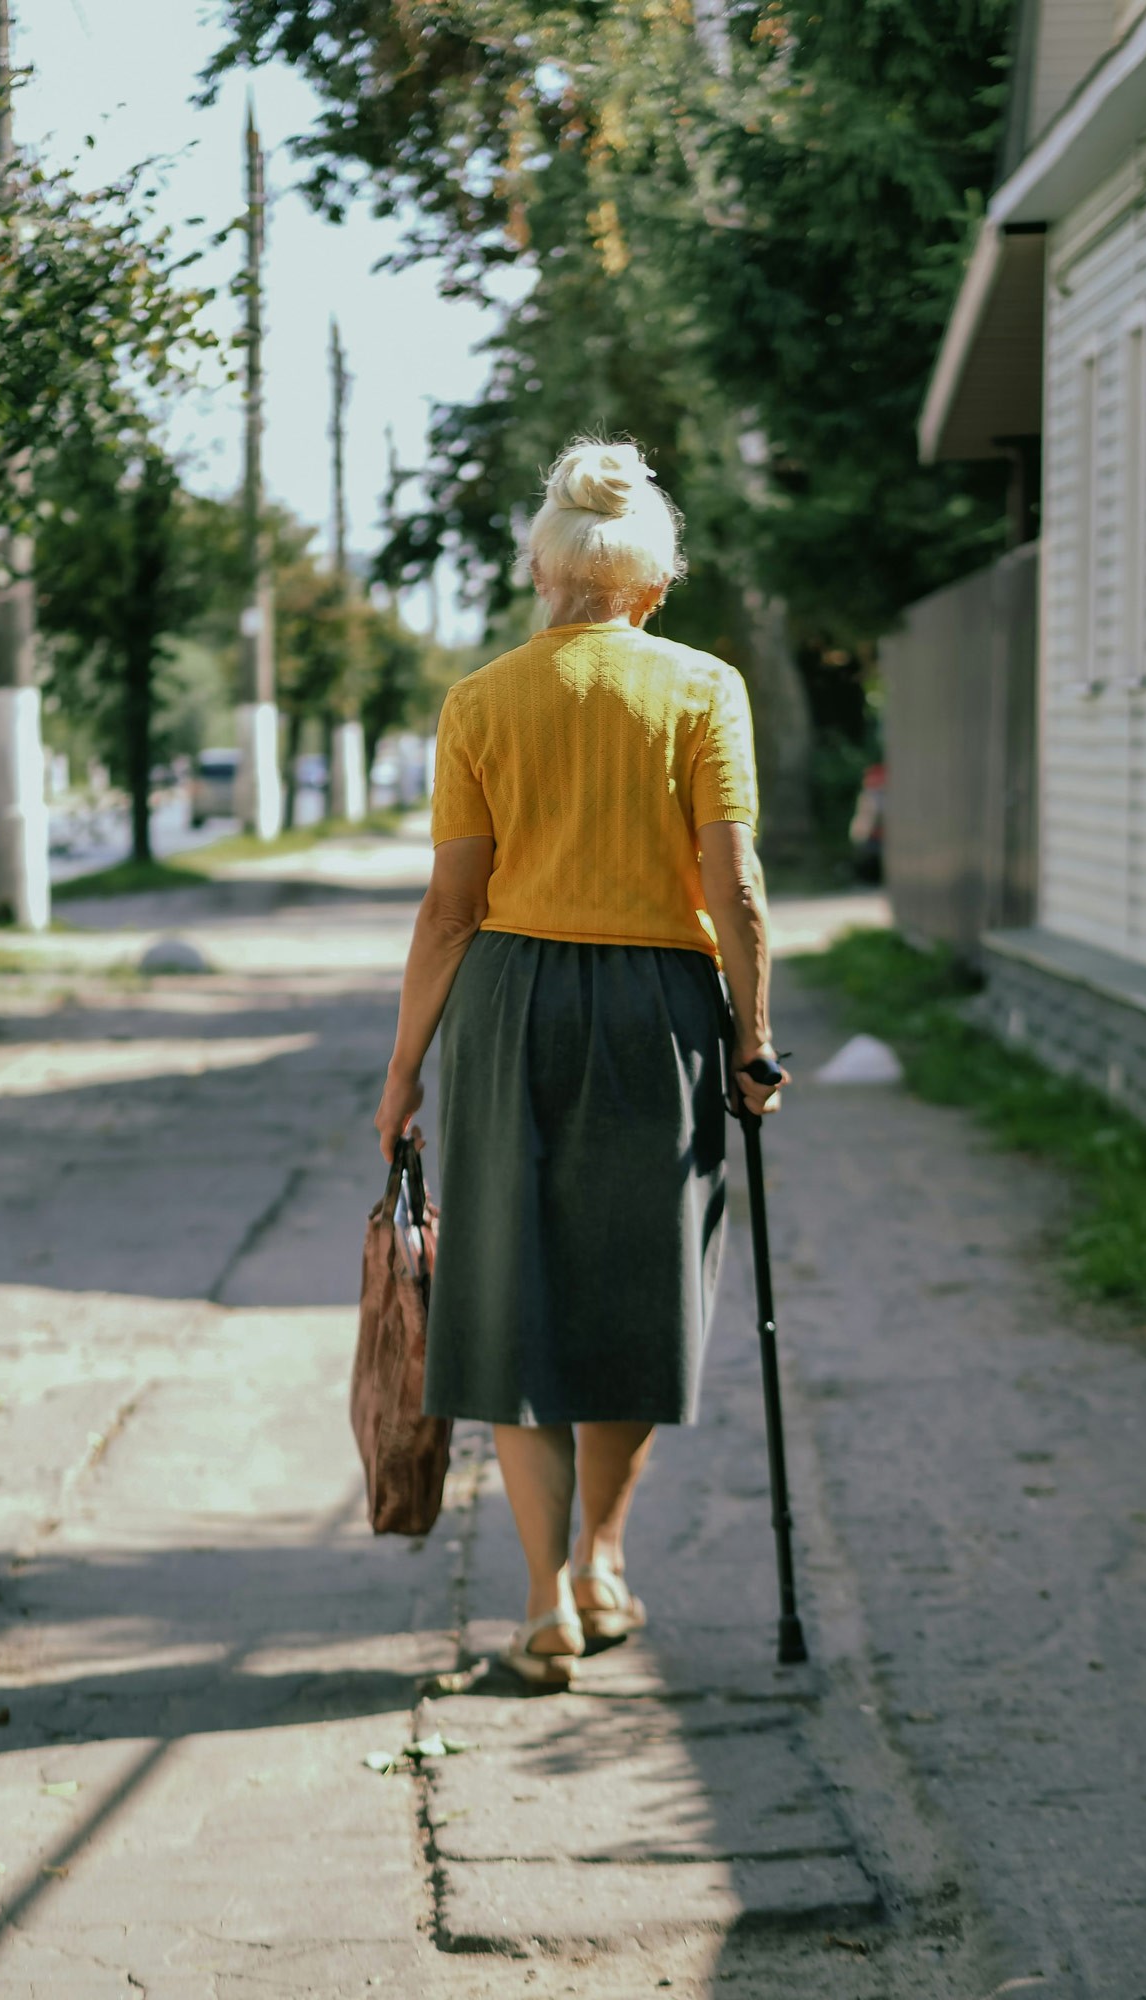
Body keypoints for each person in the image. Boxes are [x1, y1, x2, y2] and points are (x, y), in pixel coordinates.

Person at [373, 436, 787, 1687]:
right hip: (660, 1015)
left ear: (543, 579)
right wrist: (753, 1035)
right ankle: (603, 1555)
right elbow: (737, 883)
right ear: (647, 588)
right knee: (639, 1294)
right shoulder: (700, 687)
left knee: (510, 1298)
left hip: (506, 1014)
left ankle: (551, 1593)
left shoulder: (481, 700)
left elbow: (449, 909)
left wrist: (401, 1077)